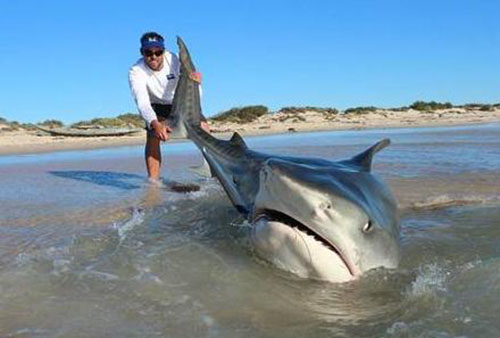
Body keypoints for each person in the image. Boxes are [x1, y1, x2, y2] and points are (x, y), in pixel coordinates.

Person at [128, 32, 209, 182]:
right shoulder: (136, 71)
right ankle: (153, 181)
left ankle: (211, 171)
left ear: (163, 52)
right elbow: (142, 102)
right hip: (157, 106)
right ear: (142, 52)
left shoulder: (174, 59)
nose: (153, 57)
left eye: (158, 52)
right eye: (148, 52)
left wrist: (197, 81)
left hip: (180, 102)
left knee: (204, 128)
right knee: (153, 136)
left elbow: (192, 80)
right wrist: (155, 123)